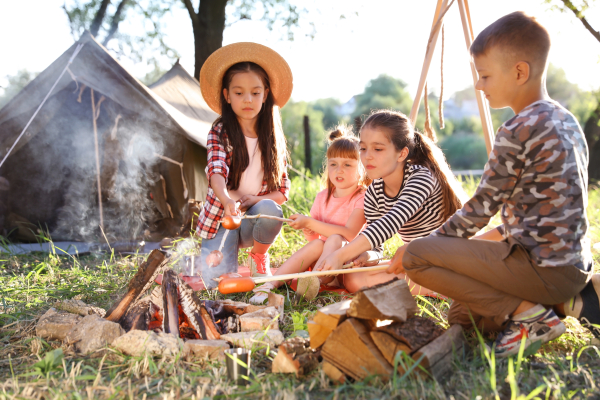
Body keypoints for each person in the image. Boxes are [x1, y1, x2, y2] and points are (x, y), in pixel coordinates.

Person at [401, 11, 598, 357]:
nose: (479, 84)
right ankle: (569, 302)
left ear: (519, 72)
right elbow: (527, 220)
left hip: (544, 268)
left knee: (416, 255)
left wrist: (425, 250)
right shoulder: (567, 120)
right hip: (573, 263)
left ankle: (530, 315)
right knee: (462, 314)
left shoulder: (517, 129)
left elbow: (479, 210)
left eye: (485, 75)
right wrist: (456, 255)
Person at [315, 109, 466, 295]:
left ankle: (444, 285)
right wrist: (366, 256)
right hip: (420, 262)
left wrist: (340, 255)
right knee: (354, 278)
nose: (367, 156)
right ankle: (432, 285)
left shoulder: (421, 177)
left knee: (360, 279)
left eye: (378, 149)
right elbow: (377, 247)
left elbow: (390, 222)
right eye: (363, 148)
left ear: (401, 154)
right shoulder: (374, 193)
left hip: (450, 258)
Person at [195, 43, 292, 288]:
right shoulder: (220, 131)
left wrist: (255, 201)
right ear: (227, 95)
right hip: (222, 217)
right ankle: (219, 257)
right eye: (239, 93)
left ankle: (258, 257)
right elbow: (215, 172)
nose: (247, 99)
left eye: (255, 92)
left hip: (253, 217)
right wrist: (228, 201)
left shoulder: (272, 136)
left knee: (271, 210)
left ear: (265, 94)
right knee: (215, 283)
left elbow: (282, 192)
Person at [249, 127, 371, 304]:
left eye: (347, 165)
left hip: (348, 263)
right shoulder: (323, 197)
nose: (339, 170)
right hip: (323, 262)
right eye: (333, 164)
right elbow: (314, 238)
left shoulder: (362, 197)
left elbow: (350, 234)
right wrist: (308, 229)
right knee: (317, 244)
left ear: (362, 169)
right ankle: (271, 284)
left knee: (336, 238)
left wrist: (311, 222)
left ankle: (314, 281)